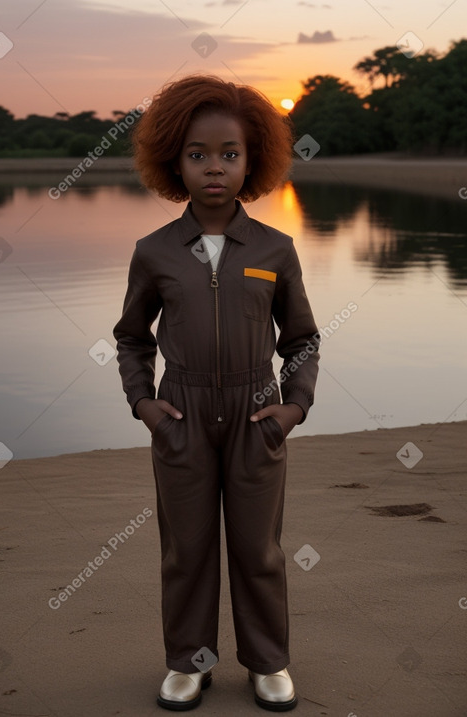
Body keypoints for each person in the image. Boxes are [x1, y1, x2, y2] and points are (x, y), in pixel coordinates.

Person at [113, 74, 320, 712]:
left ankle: (267, 663)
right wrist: (145, 405)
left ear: (252, 159)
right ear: (173, 160)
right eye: (197, 154)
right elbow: (130, 338)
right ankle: (190, 664)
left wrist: (292, 406)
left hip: (259, 415)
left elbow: (304, 339)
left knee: (259, 549)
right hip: (183, 414)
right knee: (187, 550)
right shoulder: (154, 253)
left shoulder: (275, 249)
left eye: (229, 154)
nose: (214, 168)